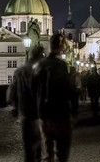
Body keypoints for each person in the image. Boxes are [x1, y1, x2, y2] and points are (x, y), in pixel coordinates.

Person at [35, 34, 75, 162]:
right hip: (60, 114)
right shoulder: (61, 66)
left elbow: (35, 90)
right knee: (62, 151)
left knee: (47, 151)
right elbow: (68, 89)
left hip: (44, 114)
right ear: (61, 46)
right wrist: (74, 110)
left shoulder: (41, 65)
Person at [7, 46, 45, 162]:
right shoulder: (42, 71)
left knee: (28, 143)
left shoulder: (20, 70)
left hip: (24, 111)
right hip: (39, 111)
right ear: (40, 56)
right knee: (38, 140)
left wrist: (13, 106)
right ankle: (37, 158)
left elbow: (12, 90)